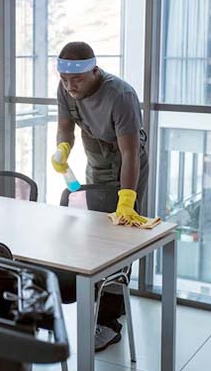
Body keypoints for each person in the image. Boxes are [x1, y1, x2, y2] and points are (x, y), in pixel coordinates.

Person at [51, 41, 149, 351]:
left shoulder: (121, 95)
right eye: (65, 80)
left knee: (120, 240)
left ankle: (110, 323)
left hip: (127, 164)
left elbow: (130, 153)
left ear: (94, 71)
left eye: (76, 80)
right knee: (96, 239)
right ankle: (101, 306)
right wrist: (63, 148)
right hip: (96, 161)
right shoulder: (66, 88)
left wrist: (126, 198)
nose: (70, 86)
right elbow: (66, 126)